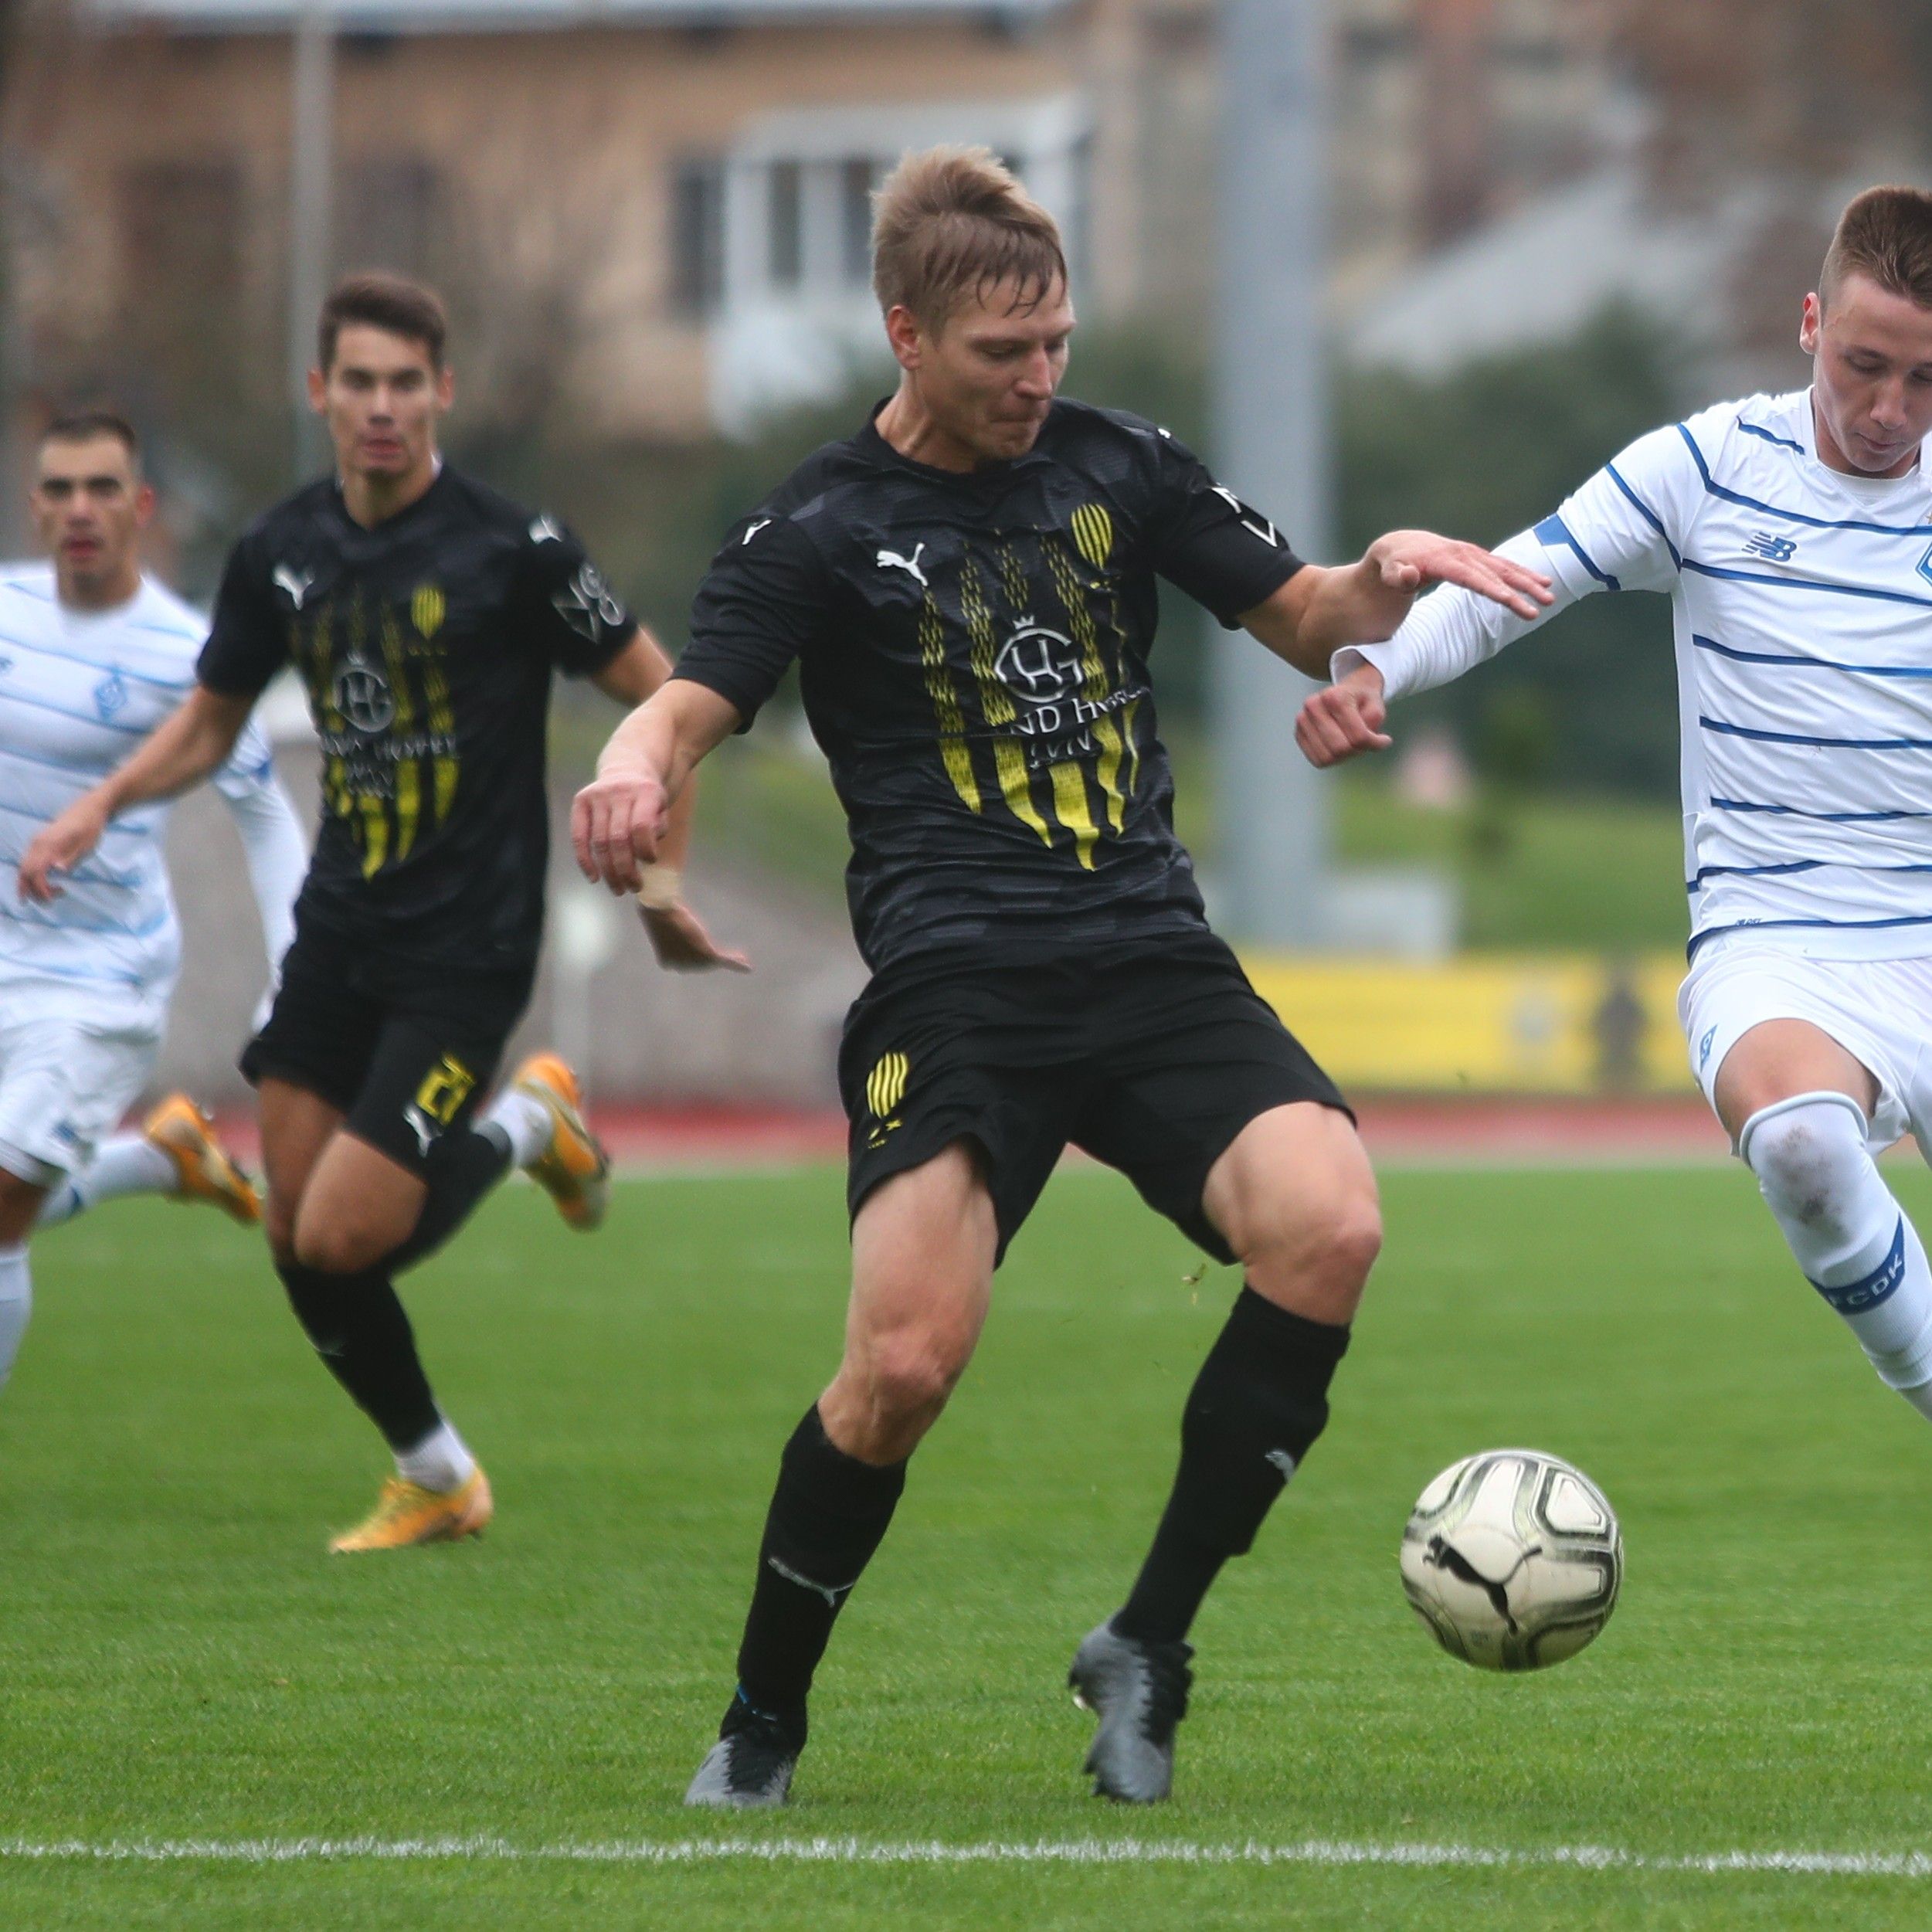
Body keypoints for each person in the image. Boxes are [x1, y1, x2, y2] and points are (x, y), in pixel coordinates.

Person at [573, 146, 1549, 1806]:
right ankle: (760, 1710)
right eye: (998, 354)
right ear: (904, 332)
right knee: (899, 1367)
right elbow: (683, 701)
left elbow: (1306, 615)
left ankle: (1147, 1639)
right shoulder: (814, 524)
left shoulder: (1116, 464)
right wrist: (625, 769)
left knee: (1329, 1219)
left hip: (1147, 952)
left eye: (1055, 345)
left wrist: (1377, 583)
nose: (1037, 381)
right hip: (955, 985)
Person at [22, 272, 745, 1550]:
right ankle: (438, 1476)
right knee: (297, 1242)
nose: (381, 407)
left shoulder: (514, 550)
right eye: (357, 382)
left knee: (350, 1234)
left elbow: (668, 701)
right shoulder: (281, 551)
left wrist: (663, 895)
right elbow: (211, 721)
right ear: (321, 392)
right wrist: (102, 806)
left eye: (406, 383)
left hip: (468, 948)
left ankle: (533, 1122)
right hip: (338, 933)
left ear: (442, 394)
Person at [1299, 184, 1932, 1444]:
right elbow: (1503, 583)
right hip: (1783, 943)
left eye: (1925, 383)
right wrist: (1374, 670)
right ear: (1810, 323)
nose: (1889, 412)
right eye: (1865, 367)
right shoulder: (1702, 469)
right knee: (1802, 1146)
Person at [0, 409, 307, 1399]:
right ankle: (154, 1158)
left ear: (141, 508)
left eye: (101, 489)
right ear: (35, 505)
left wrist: (290, 982)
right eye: (59, 489)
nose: (79, 509)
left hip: (97, 986)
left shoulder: (189, 655)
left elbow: (265, 816)